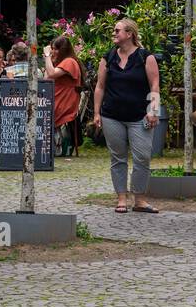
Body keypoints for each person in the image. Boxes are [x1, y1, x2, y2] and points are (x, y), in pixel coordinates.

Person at [92, 18, 161, 214]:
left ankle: (139, 199)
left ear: (129, 34)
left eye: (117, 30)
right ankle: (121, 198)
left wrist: (153, 110)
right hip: (112, 116)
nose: (114, 33)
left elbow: (154, 85)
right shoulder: (108, 57)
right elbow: (100, 86)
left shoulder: (145, 57)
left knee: (142, 157)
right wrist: (97, 112)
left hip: (140, 116)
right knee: (118, 158)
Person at [43, 37, 84, 155]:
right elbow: (47, 78)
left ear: (63, 49)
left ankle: (55, 145)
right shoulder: (61, 62)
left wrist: (47, 57)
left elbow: (51, 73)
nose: (52, 51)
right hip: (57, 99)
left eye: (54, 49)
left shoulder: (70, 62)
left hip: (65, 102)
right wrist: (50, 59)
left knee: (42, 111)